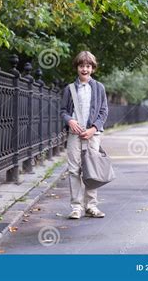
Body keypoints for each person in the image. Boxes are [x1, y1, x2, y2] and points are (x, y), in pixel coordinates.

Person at [60, 51, 109, 219]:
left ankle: (91, 206)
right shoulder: (70, 89)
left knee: (91, 169)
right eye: (82, 66)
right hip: (75, 134)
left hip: (93, 134)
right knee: (74, 170)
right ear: (77, 68)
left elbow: (103, 111)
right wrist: (70, 121)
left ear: (93, 69)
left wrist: (93, 129)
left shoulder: (99, 88)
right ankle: (76, 207)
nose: (85, 69)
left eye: (88, 66)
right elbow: (63, 111)